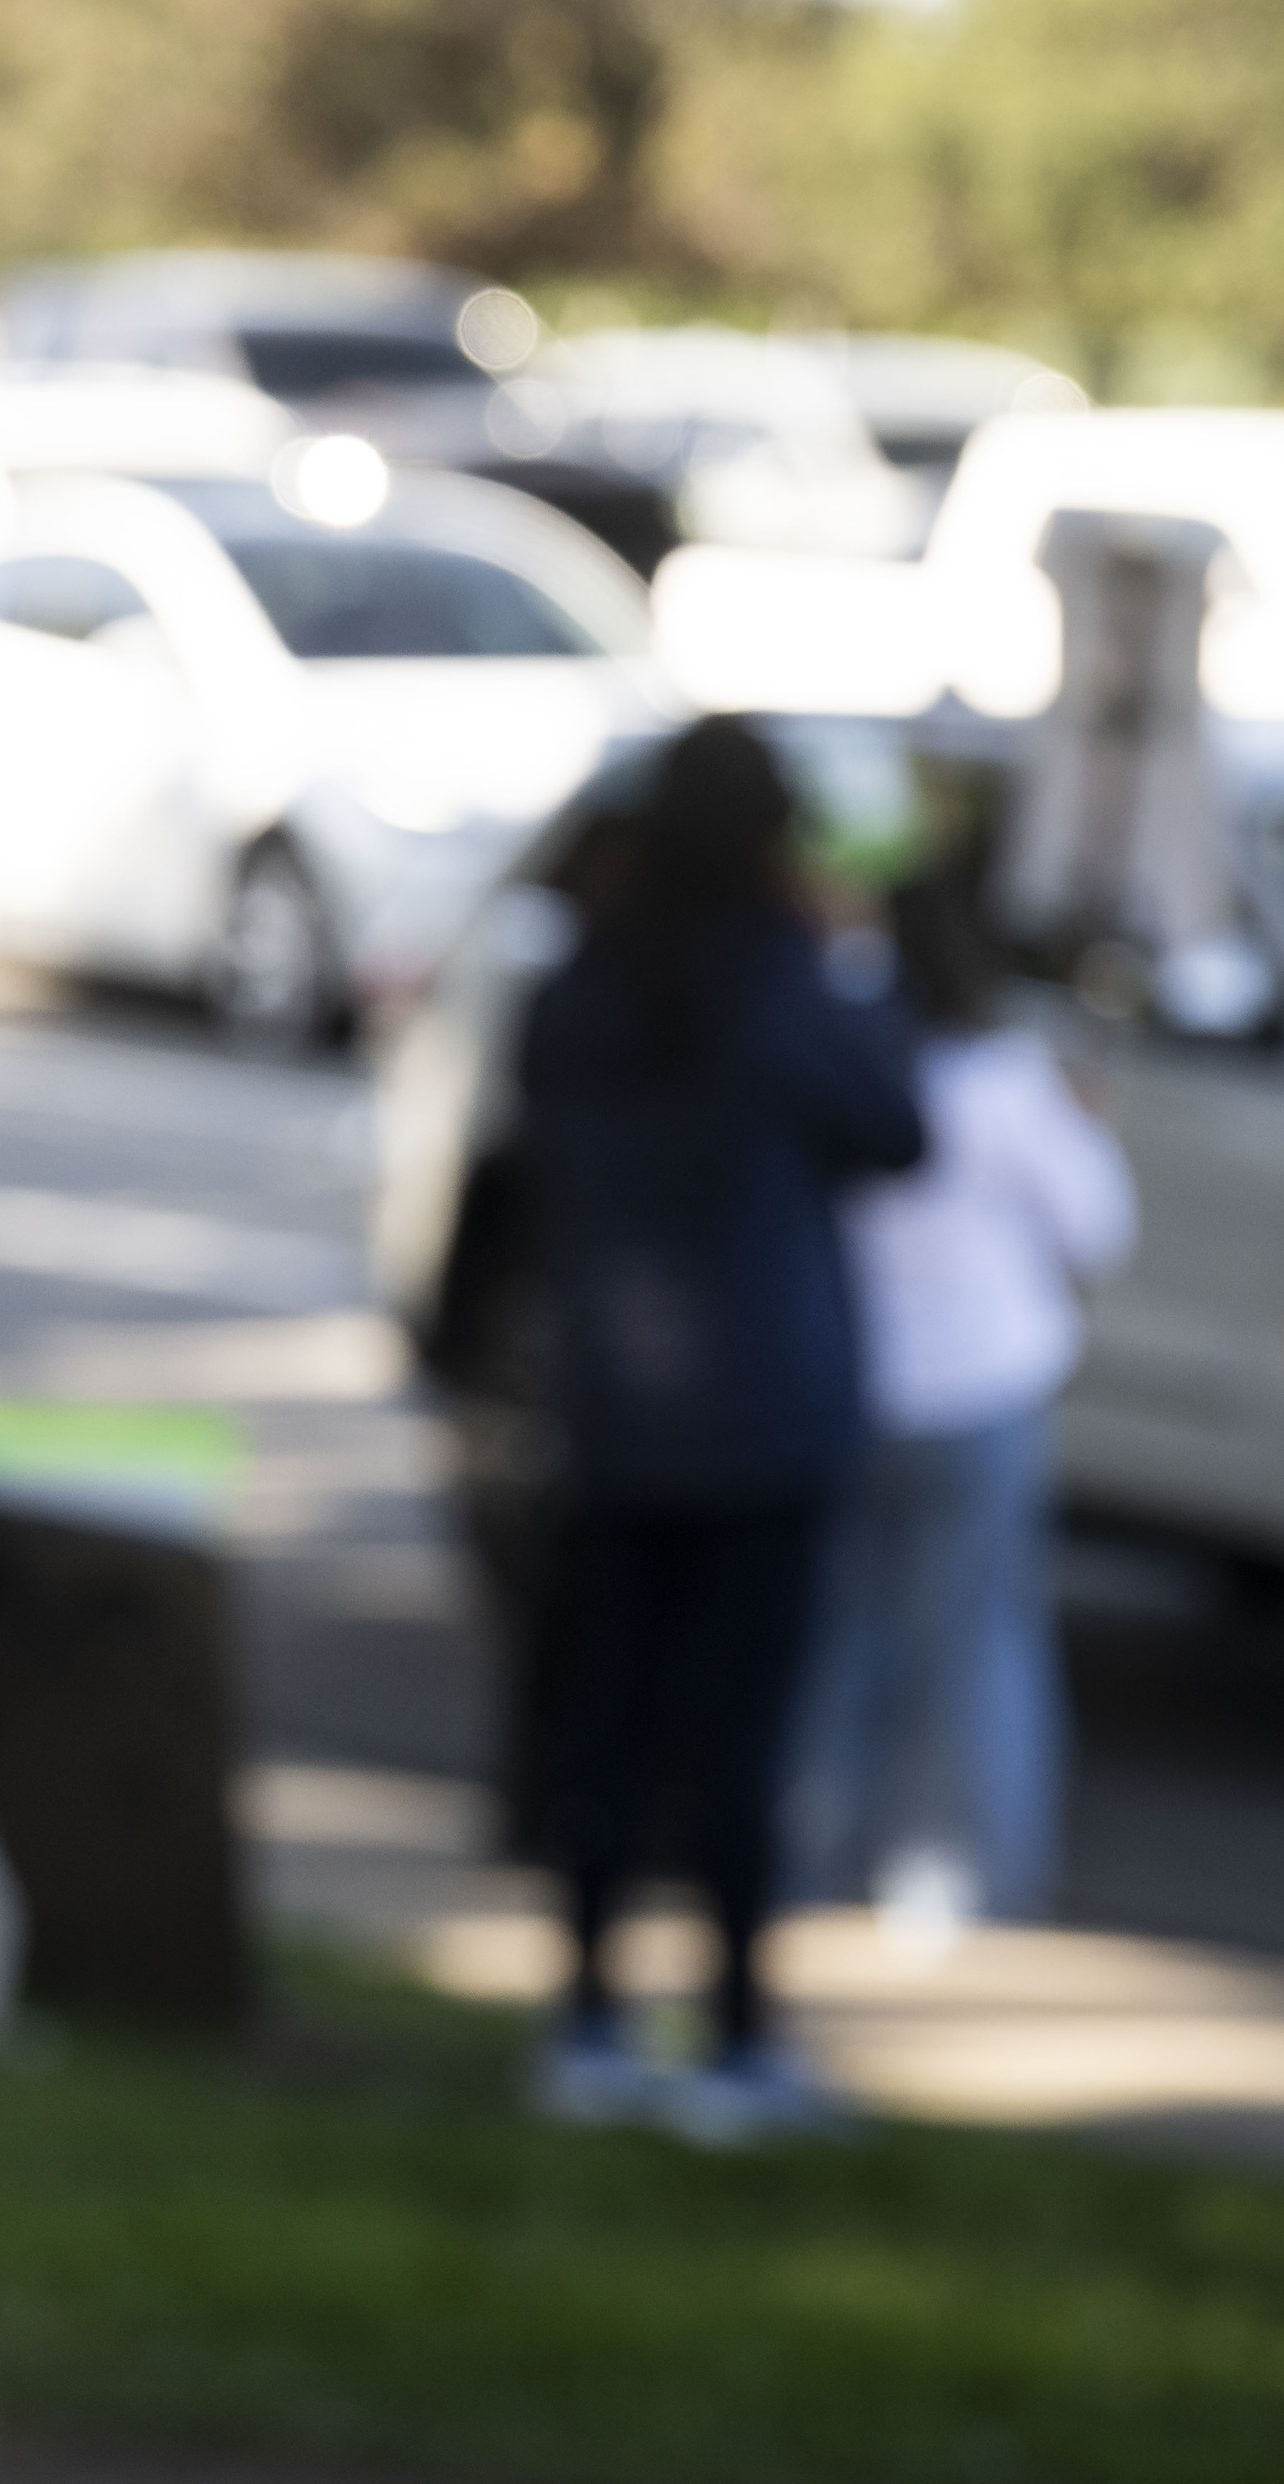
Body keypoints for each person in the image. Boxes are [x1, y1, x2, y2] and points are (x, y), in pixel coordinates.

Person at [518, 716, 925, 2143]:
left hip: (614, 1407)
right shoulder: (781, 976)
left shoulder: (576, 983)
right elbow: (898, 1126)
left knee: (610, 1725)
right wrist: (846, 949)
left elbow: (528, 1166)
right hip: (772, 1413)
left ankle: (587, 2022)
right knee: (744, 1741)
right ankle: (741, 2039)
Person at [793, 869, 1136, 1951]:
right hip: (982, 1393)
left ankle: (809, 1862)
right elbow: (1097, 1228)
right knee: (976, 1646)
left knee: (836, 1640)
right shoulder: (1009, 1082)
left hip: (854, 1386)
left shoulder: (847, 1060)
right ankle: (962, 1888)